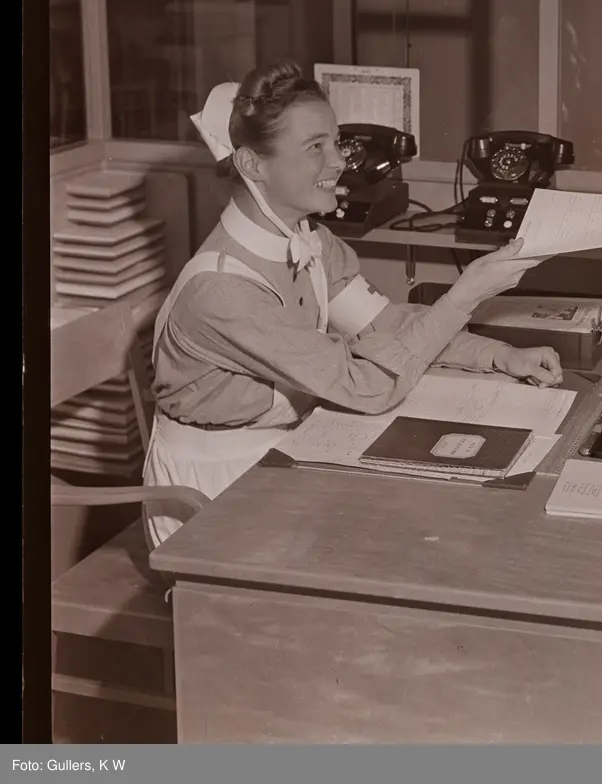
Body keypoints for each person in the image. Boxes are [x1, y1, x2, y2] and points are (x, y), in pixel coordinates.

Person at [143, 60, 560, 547]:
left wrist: (498, 355)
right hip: (211, 490)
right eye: (315, 147)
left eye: (336, 142)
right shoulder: (221, 290)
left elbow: (387, 325)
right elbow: (368, 386)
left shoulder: (310, 241)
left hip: (286, 449)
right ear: (253, 165)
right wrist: (466, 293)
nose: (338, 161)